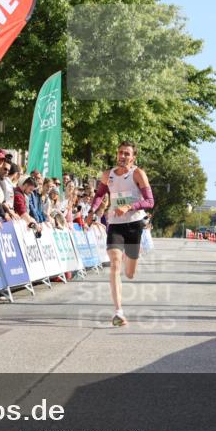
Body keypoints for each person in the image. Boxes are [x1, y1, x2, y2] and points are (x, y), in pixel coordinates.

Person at [87, 140, 155, 327]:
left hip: (134, 224)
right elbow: (99, 195)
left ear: (133, 157)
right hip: (115, 224)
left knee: (130, 273)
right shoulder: (107, 175)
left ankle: (130, 257)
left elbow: (150, 201)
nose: (123, 156)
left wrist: (129, 206)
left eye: (127, 153)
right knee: (115, 265)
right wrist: (92, 211)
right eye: (120, 153)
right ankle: (118, 312)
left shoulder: (138, 174)